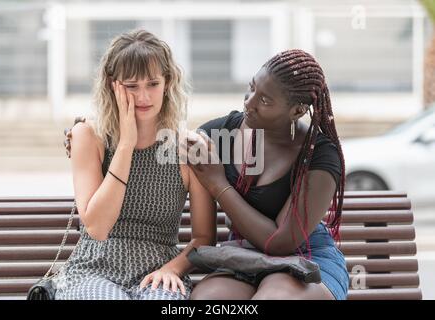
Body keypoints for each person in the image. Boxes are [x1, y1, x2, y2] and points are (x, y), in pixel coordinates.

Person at [65, 49, 349, 300]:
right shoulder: (223, 133)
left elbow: (281, 242)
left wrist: (217, 183)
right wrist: (85, 134)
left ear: (297, 110)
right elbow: (163, 139)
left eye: (264, 100)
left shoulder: (320, 156)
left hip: (307, 259)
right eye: (251, 88)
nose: (249, 103)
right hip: (244, 258)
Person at [55, 29, 215, 300]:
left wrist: (173, 269)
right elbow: (97, 227)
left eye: (152, 84)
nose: (143, 97)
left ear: (167, 83)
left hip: (159, 270)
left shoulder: (187, 148)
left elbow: (204, 237)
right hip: (94, 268)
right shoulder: (88, 137)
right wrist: (126, 144)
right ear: (112, 85)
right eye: (131, 86)